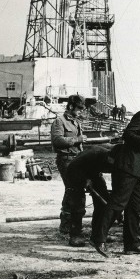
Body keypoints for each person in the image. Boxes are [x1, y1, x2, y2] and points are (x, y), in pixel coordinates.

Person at [91, 99, 140, 257]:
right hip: (127, 169)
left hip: (136, 172)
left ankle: (131, 244)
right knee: (117, 203)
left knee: (134, 207)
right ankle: (98, 239)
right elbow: (128, 134)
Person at [62, 145, 113, 249]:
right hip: (75, 172)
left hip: (92, 173)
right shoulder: (97, 154)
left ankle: (98, 234)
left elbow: (95, 171)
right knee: (78, 204)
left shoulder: (111, 156)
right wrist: (85, 180)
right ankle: (75, 235)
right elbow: (79, 168)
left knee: (104, 201)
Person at [51, 94, 86, 239]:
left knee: (73, 190)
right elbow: (57, 140)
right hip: (66, 160)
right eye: (79, 108)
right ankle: (66, 224)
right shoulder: (60, 121)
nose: (80, 111)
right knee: (73, 190)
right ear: (71, 106)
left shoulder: (75, 122)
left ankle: (68, 224)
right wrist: (77, 139)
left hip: (76, 159)